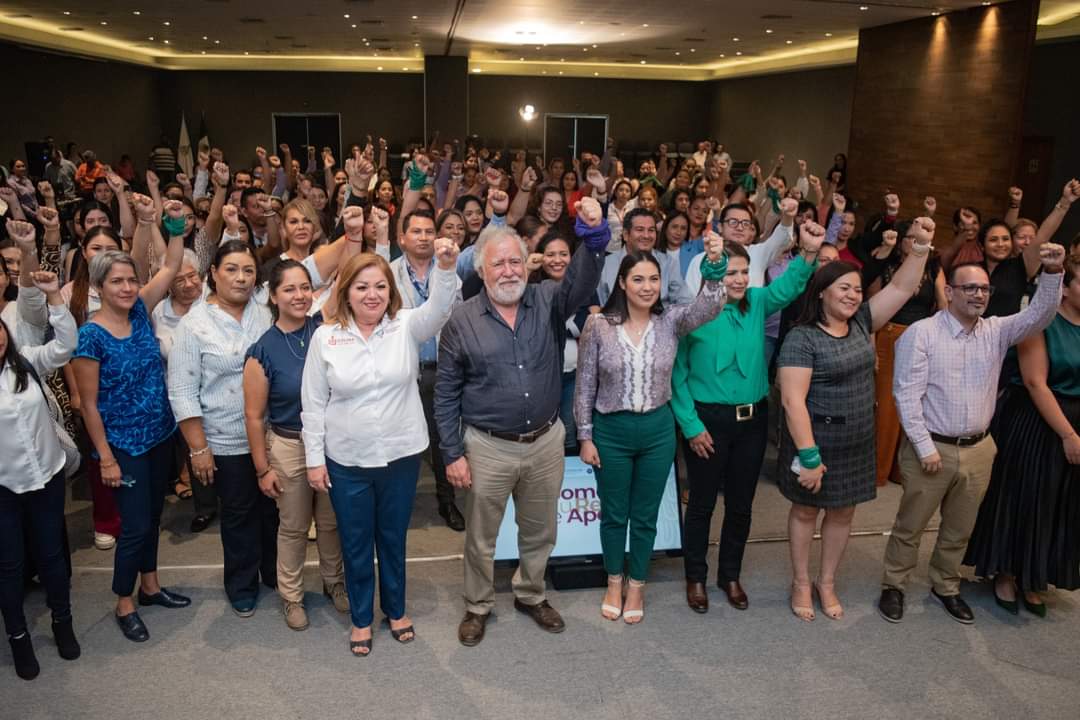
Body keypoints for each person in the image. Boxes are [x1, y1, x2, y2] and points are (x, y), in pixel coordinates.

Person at [169, 209, 362, 617]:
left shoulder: (264, 310)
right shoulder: (194, 325)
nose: (240, 278)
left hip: (275, 437)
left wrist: (352, 234)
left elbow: (309, 272)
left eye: (248, 271)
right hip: (225, 439)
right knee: (239, 514)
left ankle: (276, 575)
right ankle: (242, 584)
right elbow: (183, 391)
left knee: (275, 515)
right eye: (231, 270)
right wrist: (198, 449)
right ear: (213, 274)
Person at [436, 197, 609, 647]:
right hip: (486, 446)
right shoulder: (461, 321)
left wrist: (593, 235)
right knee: (481, 536)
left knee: (540, 529)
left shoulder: (549, 299)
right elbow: (446, 392)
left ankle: (531, 593)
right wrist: (452, 453)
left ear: (527, 265)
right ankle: (478, 605)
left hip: (546, 441)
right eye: (499, 264)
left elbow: (583, 278)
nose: (509, 271)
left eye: (516, 261)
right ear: (482, 270)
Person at [879, 242, 1067, 625]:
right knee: (910, 525)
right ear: (949, 292)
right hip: (931, 447)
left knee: (959, 528)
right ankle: (894, 585)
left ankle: (945, 585)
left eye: (984, 289)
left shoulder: (996, 331)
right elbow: (906, 395)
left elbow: (1040, 316)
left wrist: (1052, 273)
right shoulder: (922, 333)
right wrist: (923, 447)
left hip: (979, 449)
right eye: (970, 288)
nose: (979, 295)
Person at [302, 242, 459, 656]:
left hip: (401, 456)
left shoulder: (406, 325)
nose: (371, 295)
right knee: (355, 542)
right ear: (346, 293)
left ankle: (396, 610)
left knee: (392, 538)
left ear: (391, 291)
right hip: (347, 460)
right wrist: (314, 461)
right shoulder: (325, 338)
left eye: (380, 286)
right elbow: (313, 404)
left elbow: (440, 309)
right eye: (361, 287)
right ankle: (360, 618)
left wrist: (445, 268)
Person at [777, 217, 937, 622]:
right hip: (815, 440)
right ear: (822, 292)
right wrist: (809, 456)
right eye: (843, 288)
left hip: (856, 440)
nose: (852, 295)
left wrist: (920, 248)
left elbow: (901, 288)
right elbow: (793, 401)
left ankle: (827, 581)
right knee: (806, 512)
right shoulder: (802, 337)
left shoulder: (862, 321)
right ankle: (800, 582)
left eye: (857, 289)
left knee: (843, 512)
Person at [576, 232, 728, 624]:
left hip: (658, 431)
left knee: (645, 515)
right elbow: (585, 384)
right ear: (622, 283)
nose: (647, 287)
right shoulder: (598, 325)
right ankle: (614, 582)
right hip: (611, 431)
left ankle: (637, 584)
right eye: (638, 279)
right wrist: (585, 436)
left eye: (654, 279)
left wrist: (714, 265)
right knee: (614, 514)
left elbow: (710, 307)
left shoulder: (671, 320)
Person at [673, 223, 824, 615]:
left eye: (743, 271)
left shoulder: (757, 302)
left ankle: (730, 575)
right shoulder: (694, 314)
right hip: (707, 422)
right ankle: (695, 577)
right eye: (730, 272)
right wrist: (691, 426)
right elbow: (678, 376)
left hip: (752, 422)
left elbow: (787, 288)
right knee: (702, 504)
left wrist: (808, 252)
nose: (739, 279)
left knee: (741, 505)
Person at [71, 199, 189, 643]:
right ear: (99, 286)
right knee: (135, 527)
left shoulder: (139, 310)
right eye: (116, 281)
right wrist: (105, 458)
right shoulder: (90, 336)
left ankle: (151, 587)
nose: (126, 287)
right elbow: (89, 405)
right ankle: (124, 601)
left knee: (153, 516)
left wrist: (173, 223)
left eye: (130, 280)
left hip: (160, 435)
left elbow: (172, 264)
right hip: (124, 446)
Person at [964, 251, 1080, 617]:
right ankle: (1005, 572)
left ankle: (1034, 576)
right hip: (1035, 421)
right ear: (1064, 289)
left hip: (1074, 421)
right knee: (1025, 496)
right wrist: (1068, 434)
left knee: (1058, 501)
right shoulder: (1041, 322)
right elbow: (1034, 382)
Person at [243, 260, 347, 632]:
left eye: (305, 287)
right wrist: (262, 469)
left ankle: (334, 582)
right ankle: (291, 596)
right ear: (273, 296)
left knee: (331, 523)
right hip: (289, 446)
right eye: (289, 289)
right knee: (294, 527)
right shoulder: (262, 350)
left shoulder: (326, 332)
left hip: (331, 446)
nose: (299, 296)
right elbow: (254, 416)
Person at [0, 257, 80, 681]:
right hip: (4, 489)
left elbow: (65, 345)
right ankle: (18, 638)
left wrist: (54, 299)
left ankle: (62, 622)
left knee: (52, 557)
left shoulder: (26, 362)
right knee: (10, 565)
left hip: (46, 477)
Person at [389, 210, 465, 531]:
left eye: (429, 231)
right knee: (401, 441)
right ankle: (398, 505)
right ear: (402, 238)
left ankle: (447, 500)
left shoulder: (449, 270)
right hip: (403, 371)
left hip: (442, 368)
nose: (423, 237)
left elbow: (458, 317)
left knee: (443, 438)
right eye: (416, 231)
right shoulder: (389, 273)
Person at [868, 222, 947, 486]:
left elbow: (943, 305)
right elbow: (870, 309)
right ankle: (877, 472)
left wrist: (943, 339)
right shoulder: (888, 268)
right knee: (887, 405)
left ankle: (901, 471)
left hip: (922, 337)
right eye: (910, 238)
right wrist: (872, 346)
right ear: (900, 241)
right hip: (889, 335)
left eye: (919, 239)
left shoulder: (934, 268)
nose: (915, 242)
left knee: (916, 402)